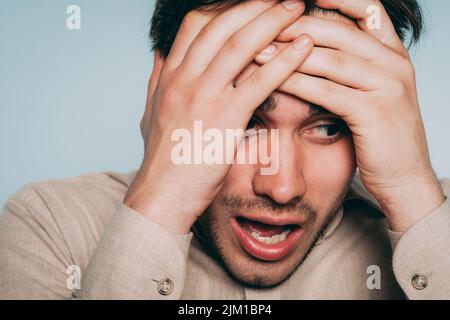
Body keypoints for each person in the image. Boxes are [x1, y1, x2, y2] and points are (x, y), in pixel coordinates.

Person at [0, 0, 449, 300]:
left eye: (328, 127)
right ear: (162, 92)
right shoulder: (51, 227)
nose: (282, 187)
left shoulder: (437, 226)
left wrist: (410, 189)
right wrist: (161, 203)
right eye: (247, 121)